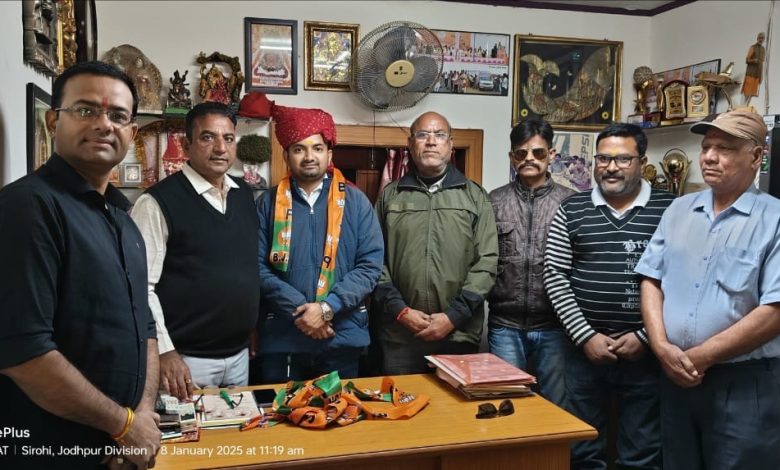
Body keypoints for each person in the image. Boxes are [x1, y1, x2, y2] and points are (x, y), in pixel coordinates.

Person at [0, 61, 160, 469]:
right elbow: (23, 351)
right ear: (54, 121)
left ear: (132, 133)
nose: (104, 124)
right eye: (86, 110)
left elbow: (145, 326)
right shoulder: (28, 207)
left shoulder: (124, 218)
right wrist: (124, 426)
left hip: (120, 451)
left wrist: (140, 417)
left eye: (118, 115)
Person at [635, 110, 780, 469]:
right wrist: (661, 347)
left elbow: (775, 310)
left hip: (743, 383)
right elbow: (651, 279)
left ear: (756, 156)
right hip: (675, 376)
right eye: (706, 147)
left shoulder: (774, 219)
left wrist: (700, 357)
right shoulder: (678, 210)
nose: (709, 157)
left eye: (724, 149)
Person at [544, 123, 674, 469]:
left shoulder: (672, 210)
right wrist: (586, 337)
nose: (611, 167)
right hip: (583, 353)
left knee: (642, 454)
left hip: (647, 355)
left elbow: (684, 282)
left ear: (642, 162)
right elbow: (555, 276)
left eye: (622, 159)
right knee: (582, 451)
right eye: (603, 159)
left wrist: (645, 337)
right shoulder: (571, 209)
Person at [131, 102, 260, 399]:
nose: (220, 148)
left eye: (228, 138)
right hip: (185, 361)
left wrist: (251, 325)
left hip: (239, 357)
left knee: (239, 428)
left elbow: (244, 269)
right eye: (207, 137)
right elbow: (140, 286)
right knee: (190, 430)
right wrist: (164, 351)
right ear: (186, 145)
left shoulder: (243, 195)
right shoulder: (157, 202)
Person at [256, 104, 383, 382]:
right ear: (286, 155)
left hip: (341, 337)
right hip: (285, 339)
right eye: (299, 149)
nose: (309, 157)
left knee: (342, 409)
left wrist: (327, 309)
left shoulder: (356, 202)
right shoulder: (267, 203)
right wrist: (302, 313)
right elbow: (257, 268)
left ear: (329, 153)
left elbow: (370, 266)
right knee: (281, 410)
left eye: (317, 148)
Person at [373, 111, 498, 375]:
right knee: (399, 401)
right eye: (423, 134)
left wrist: (454, 316)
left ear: (451, 145)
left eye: (439, 135)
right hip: (400, 336)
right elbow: (374, 259)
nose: (431, 141)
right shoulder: (390, 196)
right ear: (410, 144)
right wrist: (400, 311)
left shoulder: (475, 197)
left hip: (458, 335)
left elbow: (487, 262)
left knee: (453, 403)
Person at [487, 118, 575, 408]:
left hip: (556, 327)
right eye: (521, 153)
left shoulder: (571, 203)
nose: (529, 159)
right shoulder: (494, 201)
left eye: (538, 153)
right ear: (512, 157)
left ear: (551, 155)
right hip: (505, 325)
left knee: (556, 407)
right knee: (507, 405)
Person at [741, 32, 766, 107]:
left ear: (764, 40)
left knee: (752, 94)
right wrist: (753, 60)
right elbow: (747, 60)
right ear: (757, 38)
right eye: (760, 38)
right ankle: (741, 108)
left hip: (757, 75)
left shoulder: (763, 49)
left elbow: (761, 63)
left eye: (762, 38)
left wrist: (761, 76)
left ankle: (745, 109)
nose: (761, 39)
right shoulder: (752, 47)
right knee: (746, 92)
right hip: (750, 74)